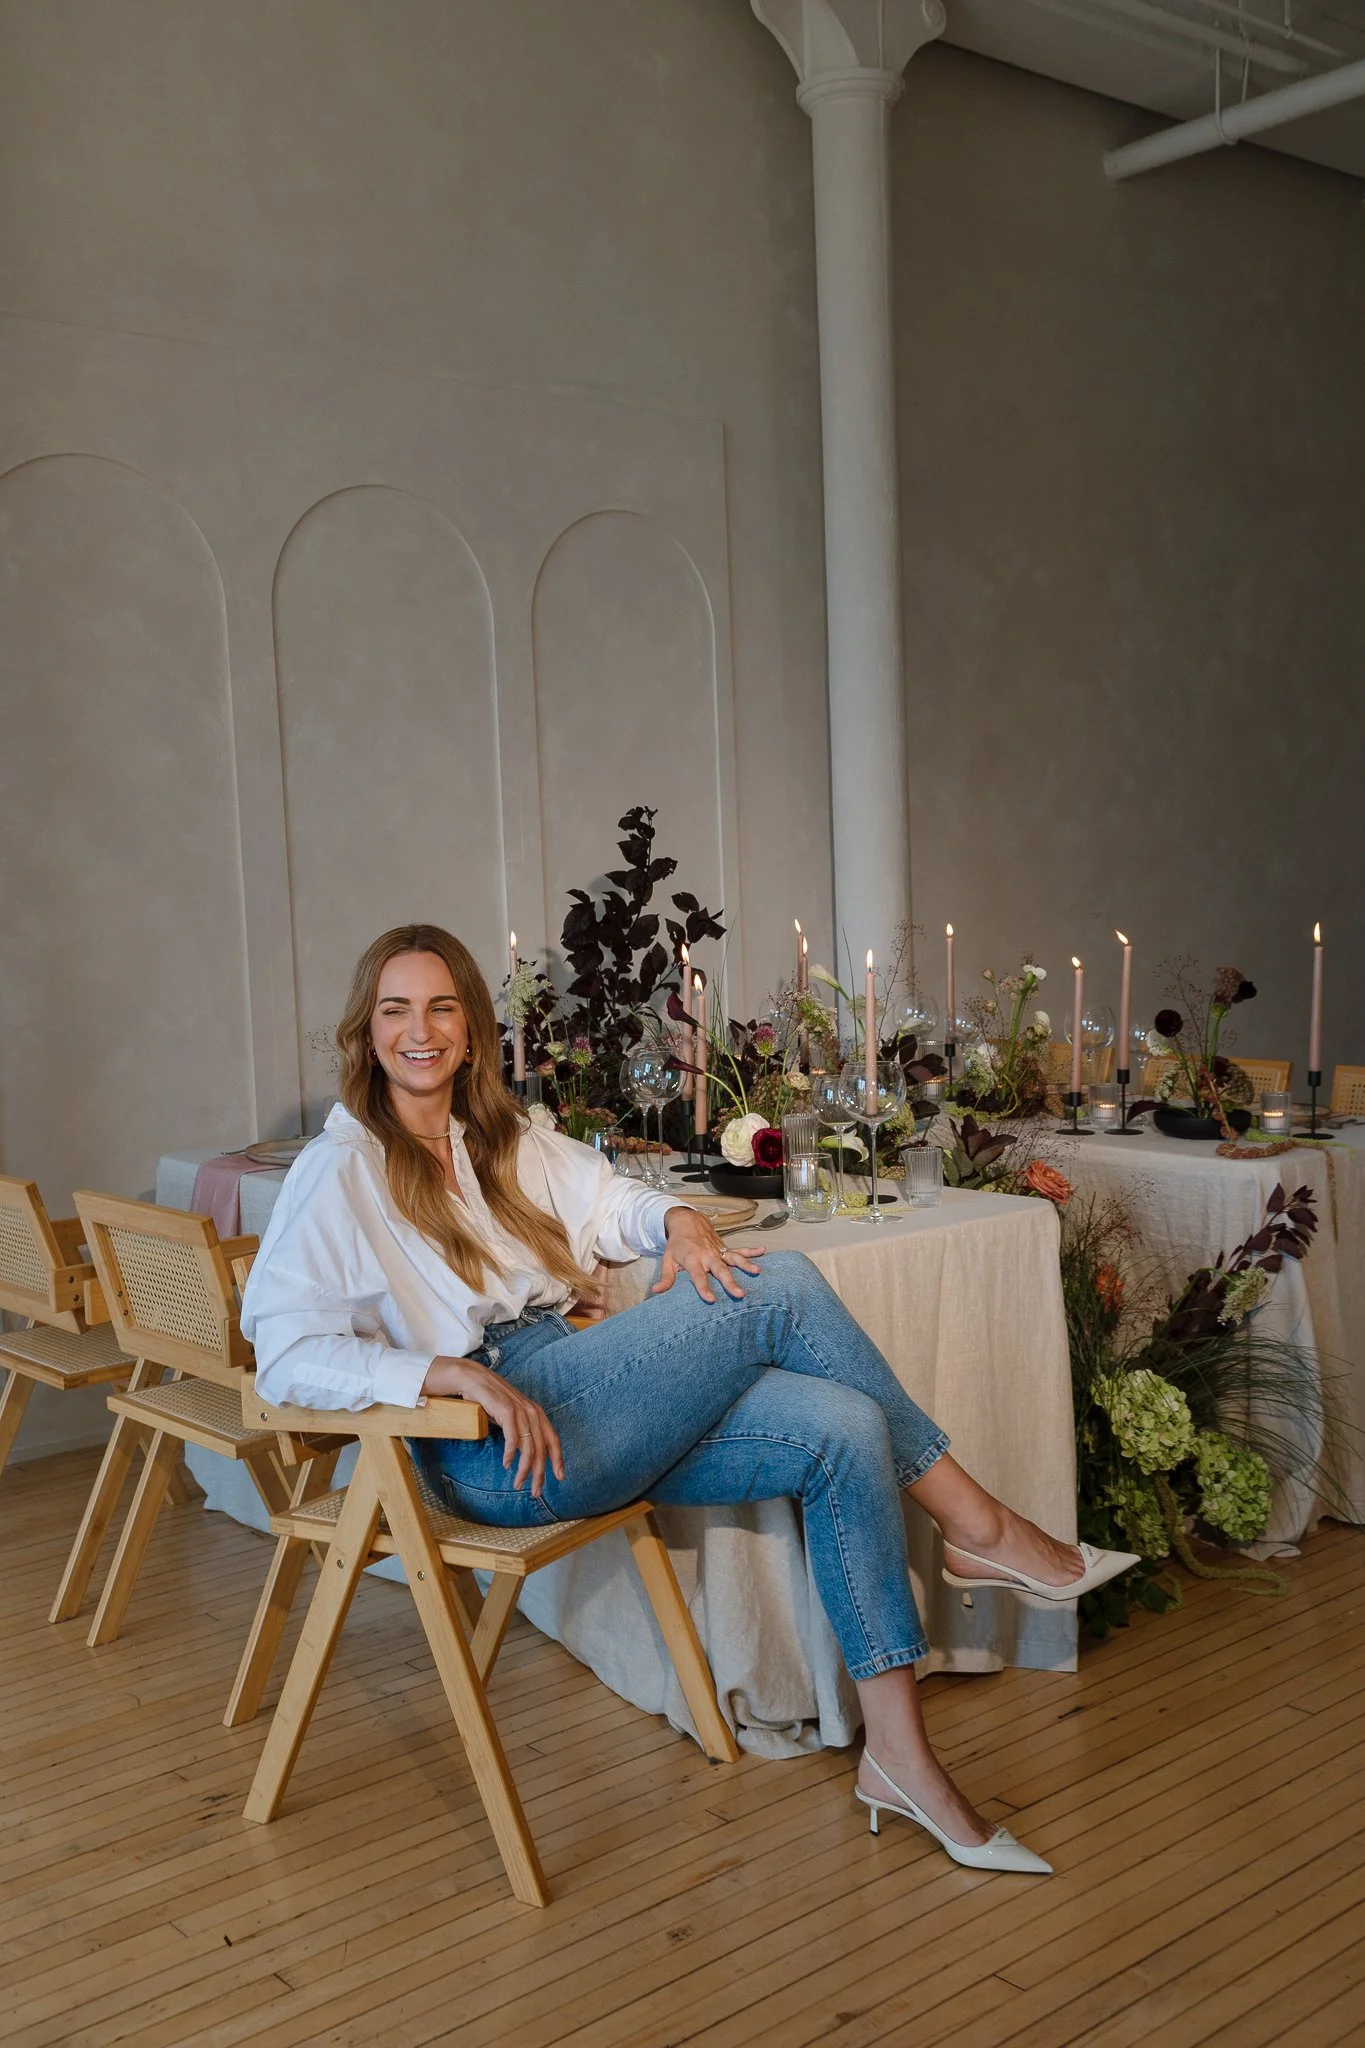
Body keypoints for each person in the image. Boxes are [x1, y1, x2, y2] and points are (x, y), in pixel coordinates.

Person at [241, 924, 1136, 1876]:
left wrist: (673, 1218)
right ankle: (981, 1526)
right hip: (488, 1447)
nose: (418, 1030)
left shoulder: (502, 1140)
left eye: (440, 1007)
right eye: (395, 1010)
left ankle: (898, 1758)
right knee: (781, 1286)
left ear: (469, 1026)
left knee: (846, 1427)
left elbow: (613, 1201)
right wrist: (441, 1372)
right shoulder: (337, 1171)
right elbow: (284, 1352)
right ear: (366, 1030)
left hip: (574, 1393)